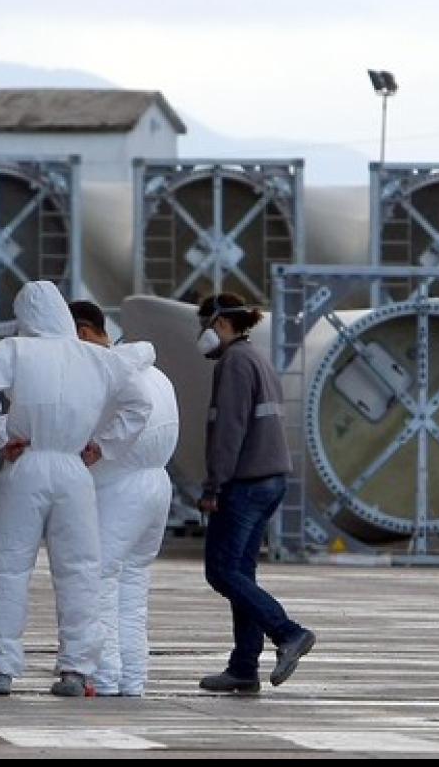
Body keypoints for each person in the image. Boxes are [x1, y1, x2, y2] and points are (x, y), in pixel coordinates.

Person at [0, 281, 151, 697]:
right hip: (73, 467)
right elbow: (139, 404)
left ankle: (0, 667)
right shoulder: (98, 358)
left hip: (25, 463)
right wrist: (104, 445)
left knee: (7, 567)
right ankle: (76, 668)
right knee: (80, 569)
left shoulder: (14, 350)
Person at [195, 293, 316, 694]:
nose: (203, 335)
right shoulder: (258, 357)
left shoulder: (233, 363)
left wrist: (214, 485)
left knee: (222, 571)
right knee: (241, 574)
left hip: (245, 482)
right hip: (271, 479)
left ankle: (288, 633)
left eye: (205, 326)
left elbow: (228, 430)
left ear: (222, 324)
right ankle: (243, 668)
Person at [70, 300, 179, 697]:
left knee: (99, 579)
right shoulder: (157, 375)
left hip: (117, 487)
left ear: (81, 334)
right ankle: (132, 676)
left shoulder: (105, 376)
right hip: (157, 487)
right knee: (133, 586)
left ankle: (104, 674)